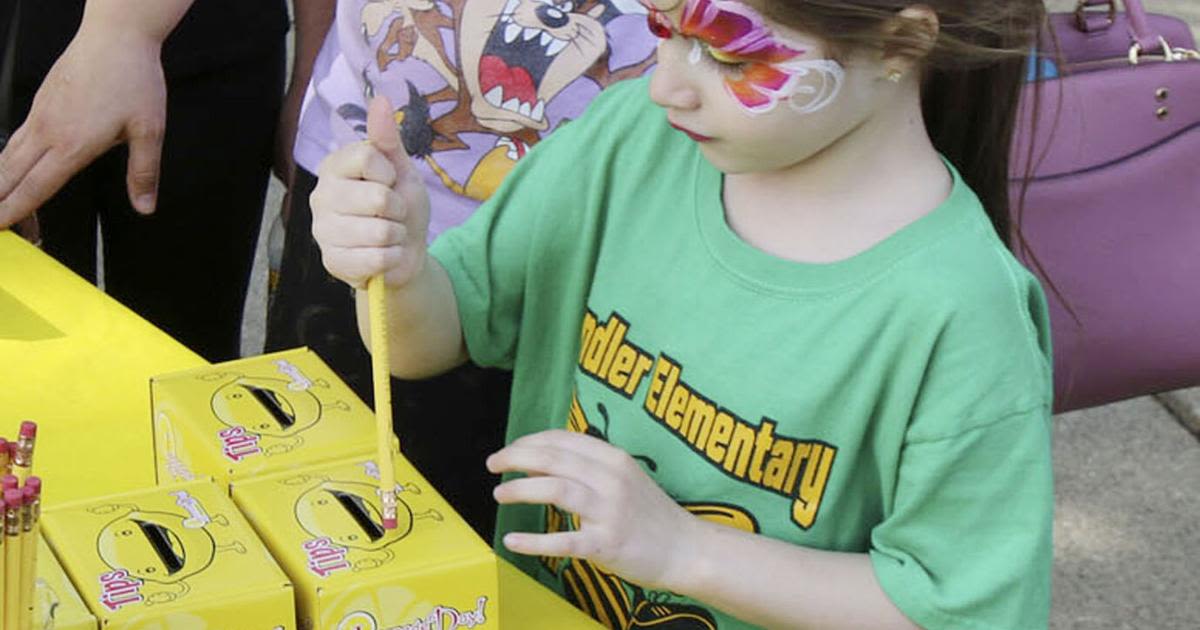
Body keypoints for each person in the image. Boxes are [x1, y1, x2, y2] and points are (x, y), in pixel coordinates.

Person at [311, 0, 1054, 626]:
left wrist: (683, 551)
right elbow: (434, 337)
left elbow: (955, 605)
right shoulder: (629, 141)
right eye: (664, 29)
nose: (668, 85)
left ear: (901, 45)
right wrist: (397, 268)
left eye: (728, 57)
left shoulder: (958, 312)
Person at [265, 0, 658, 537]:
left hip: (617, 246)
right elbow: (411, 347)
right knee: (320, 507)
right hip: (376, 201)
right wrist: (305, 75)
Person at [0, 0, 288, 362]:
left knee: (184, 368)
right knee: (22, 373)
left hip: (207, 58)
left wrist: (313, 73)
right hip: (13, 57)